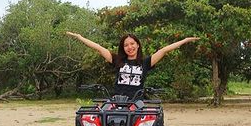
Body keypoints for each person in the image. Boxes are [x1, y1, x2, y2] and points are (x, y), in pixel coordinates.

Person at [66, 32, 199, 99]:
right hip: (117, 100)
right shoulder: (117, 60)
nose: (129, 47)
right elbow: (99, 48)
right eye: (126, 45)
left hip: (137, 102)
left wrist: (185, 40)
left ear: (137, 44)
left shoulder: (146, 62)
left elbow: (164, 50)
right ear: (123, 48)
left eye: (132, 43)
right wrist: (80, 37)